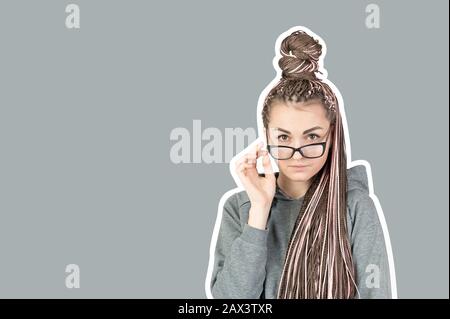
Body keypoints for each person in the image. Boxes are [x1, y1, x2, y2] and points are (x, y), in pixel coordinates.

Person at [209, 29, 392, 299]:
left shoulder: (355, 206)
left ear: (332, 137)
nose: (297, 154)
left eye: (312, 137)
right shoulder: (240, 208)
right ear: (266, 136)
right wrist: (259, 210)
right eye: (283, 137)